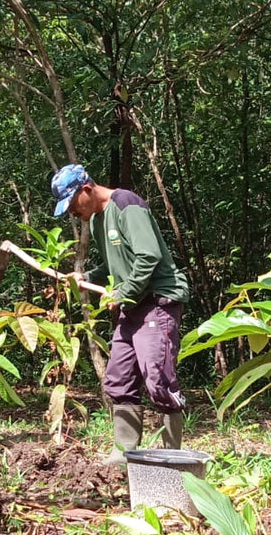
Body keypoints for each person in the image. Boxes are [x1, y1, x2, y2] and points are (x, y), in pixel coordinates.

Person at [51, 164, 190, 463]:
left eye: (73, 205)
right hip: (133, 306)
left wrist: (124, 292)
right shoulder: (99, 220)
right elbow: (115, 266)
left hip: (157, 301)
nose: (73, 214)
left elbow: (148, 256)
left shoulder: (126, 204)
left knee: (158, 378)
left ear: (86, 189)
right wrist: (85, 276)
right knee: (118, 377)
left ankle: (172, 457)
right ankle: (124, 452)